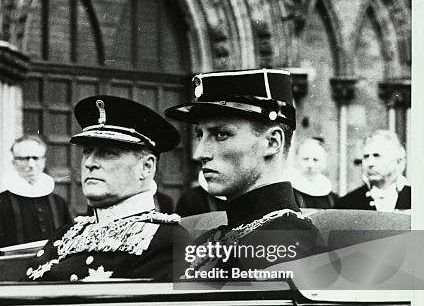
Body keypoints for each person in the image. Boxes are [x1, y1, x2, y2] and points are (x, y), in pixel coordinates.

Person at [165, 68, 322, 276]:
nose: (199, 153)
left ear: (272, 142)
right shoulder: (213, 240)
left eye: (220, 135)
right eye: (200, 135)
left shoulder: (288, 243)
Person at [27, 96, 191, 282]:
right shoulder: (65, 234)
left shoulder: (167, 241)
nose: (89, 163)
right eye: (87, 152)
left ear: (146, 167)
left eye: (107, 153)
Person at [0, 135, 72, 249]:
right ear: (14, 162)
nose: (31, 165)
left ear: (43, 161)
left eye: (36, 158)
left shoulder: (59, 203)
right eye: (24, 158)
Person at [335, 129, 410, 212]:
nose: (370, 163)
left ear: (398, 161)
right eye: (366, 157)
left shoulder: (418, 198)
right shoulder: (346, 204)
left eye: (377, 156)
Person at [291, 137, 338, 209]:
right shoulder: (289, 193)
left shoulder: (330, 196)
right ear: (297, 159)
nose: (310, 165)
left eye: (315, 160)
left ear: (324, 162)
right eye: (305, 159)